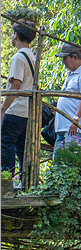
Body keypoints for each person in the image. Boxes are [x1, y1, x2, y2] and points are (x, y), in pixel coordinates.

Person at [1, 20, 37, 176]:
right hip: (27, 110)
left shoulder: (18, 57)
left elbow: (15, 86)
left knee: (6, 143)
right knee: (22, 148)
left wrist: (3, 109)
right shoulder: (33, 56)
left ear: (15, 35)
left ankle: (6, 180)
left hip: (16, 109)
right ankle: (25, 182)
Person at [52, 43, 81, 151]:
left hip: (73, 126)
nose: (63, 61)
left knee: (70, 159)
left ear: (74, 57)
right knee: (59, 160)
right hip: (63, 124)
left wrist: (75, 119)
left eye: (65, 58)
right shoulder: (69, 74)